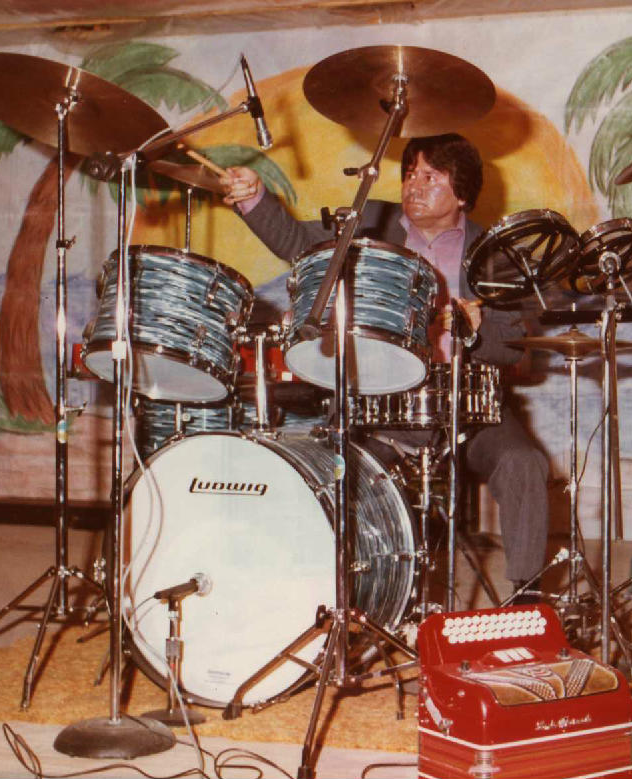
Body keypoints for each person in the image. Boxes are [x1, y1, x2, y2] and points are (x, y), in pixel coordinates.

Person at [219, 133, 549, 601]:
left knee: (524, 461)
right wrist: (255, 197)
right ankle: (328, 589)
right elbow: (296, 243)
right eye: (410, 173)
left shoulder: (496, 253)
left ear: (462, 194)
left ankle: (530, 596)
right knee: (337, 467)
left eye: (431, 176)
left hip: (471, 404)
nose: (414, 184)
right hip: (380, 399)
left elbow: (518, 349)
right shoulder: (370, 222)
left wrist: (477, 328)